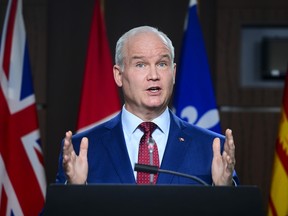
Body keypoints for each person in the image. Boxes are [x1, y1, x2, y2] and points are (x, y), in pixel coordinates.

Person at [55, 25, 239, 186]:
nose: (153, 75)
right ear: (119, 75)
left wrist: (224, 190)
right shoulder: (82, 149)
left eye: (161, 64)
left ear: (173, 73)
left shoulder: (212, 147)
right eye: (141, 65)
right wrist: (74, 191)